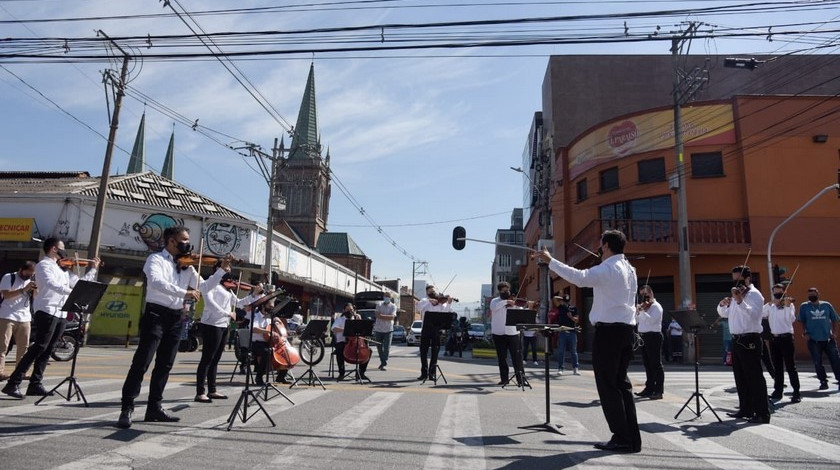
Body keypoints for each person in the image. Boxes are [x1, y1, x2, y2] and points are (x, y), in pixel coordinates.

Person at [533, 230, 641, 453]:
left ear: (607, 246)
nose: (599, 249)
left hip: (609, 333)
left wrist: (551, 261)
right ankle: (631, 439)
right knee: (622, 385)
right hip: (626, 331)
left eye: (601, 245)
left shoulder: (608, 269)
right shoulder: (630, 269)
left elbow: (580, 278)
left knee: (608, 385)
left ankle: (622, 438)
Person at [117, 226, 226, 429]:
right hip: (155, 315)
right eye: (184, 240)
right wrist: (183, 293)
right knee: (142, 362)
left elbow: (203, 287)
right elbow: (157, 282)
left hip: (176, 318)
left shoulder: (188, 266)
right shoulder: (155, 259)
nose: (188, 244)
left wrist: (221, 271)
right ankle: (127, 407)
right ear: (171, 241)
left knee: (165, 365)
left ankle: (154, 408)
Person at [2, 239, 99, 399]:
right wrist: (73, 293)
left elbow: (80, 283)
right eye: (62, 248)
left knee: (49, 349)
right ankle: (13, 382)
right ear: (54, 249)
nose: (65, 251)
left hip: (61, 312)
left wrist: (93, 269)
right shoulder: (44, 265)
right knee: (39, 346)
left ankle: (35, 384)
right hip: (46, 310)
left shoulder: (63, 270)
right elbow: (51, 284)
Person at [717, 265, 770, 424]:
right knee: (740, 377)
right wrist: (722, 304)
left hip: (749, 339)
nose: (736, 283)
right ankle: (746, 408)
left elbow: (754, 315)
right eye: (733, 280)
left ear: (747, 278)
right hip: (737, 339)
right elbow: (726, 314)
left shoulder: (754, 294)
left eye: (738, 279)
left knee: (754, 377)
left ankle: (762, 413)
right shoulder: (737, 294)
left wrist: (740, 301)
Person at [194, 266, 254, 403]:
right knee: (207, 358)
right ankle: (200, 392)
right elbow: (210, 304)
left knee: (216, 359)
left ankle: (212, 390)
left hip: (223, 324)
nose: (229, 274)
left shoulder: (227, 289)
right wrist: (228, 313)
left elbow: (238, 303)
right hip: (212, 324)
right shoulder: (211, 284)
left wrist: (254, 295)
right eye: (226, 269)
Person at [764, 284, 801, 403]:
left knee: (790, 366)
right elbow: (761, 314)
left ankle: (796, 392)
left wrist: (787, 306)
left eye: (780, 293)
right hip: (774, 339)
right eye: (775, 293)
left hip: (786, 338)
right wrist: (770, 304)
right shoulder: (770, 306)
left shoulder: (789, 305)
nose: (777, 295)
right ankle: (778, 391)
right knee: (777, 367)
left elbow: (791, 319)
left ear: (784, 292)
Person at [0, 261, 36, 382]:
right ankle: (0, 372)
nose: (29, 276)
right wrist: (24, 289)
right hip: (7, 315)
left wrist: (36, 290)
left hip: (25, 317)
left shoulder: (31, 281)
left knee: (23, 347)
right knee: (3, 346)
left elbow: (35, 297)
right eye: (27, 273)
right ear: (21, 269)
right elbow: (6, 295)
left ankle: (21, 372)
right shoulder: (9, 277)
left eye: (31, 274)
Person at [798, 287, 840, 391]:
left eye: (813, 294)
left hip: (828, 339)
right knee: (817, 362)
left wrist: (835, 333)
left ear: (818, 294)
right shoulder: (804, 306)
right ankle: (823, 381)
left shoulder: (826, 305)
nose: (812, 296)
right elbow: (801, 321)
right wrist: (805, 333)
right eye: (810, 294)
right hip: (813, 340)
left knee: (836, 361)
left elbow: (835, 319)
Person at [489, 281, 526, 386]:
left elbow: (521, 311)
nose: (507, 292)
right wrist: (506, 302)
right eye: (504, 290)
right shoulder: (495, 301)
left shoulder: (513, 301)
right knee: (502, 358)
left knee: (517, 357)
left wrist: (519, 305)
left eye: (508, 290)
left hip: (513, 332)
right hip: (499, 333)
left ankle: (521, 379)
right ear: (500, 291)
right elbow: (494, 308)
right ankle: (504, 379)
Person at [416, 285, 453, 381]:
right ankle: (424, 373)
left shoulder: (441, 303)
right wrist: (429, 300)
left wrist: (449, 303)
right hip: (426, 329)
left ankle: (432, 373)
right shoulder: (425, 300)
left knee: (435, 351)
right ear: (427, 292)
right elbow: (418, 308)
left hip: (437, 330)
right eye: (430, 291)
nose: (433, 292)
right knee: (423, 351)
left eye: (434, 291)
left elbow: (447, 312)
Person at [635, 285, 664, 400]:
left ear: (651, 294)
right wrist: (637, 312)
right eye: (641, 295)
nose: (643, 298)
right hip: (643, 336)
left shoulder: (656, 307)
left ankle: (659, 391)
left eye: (645, 295)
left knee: (656, 364)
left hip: (653, 336)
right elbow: (637, 321)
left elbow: (652, 321)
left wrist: (642, 311)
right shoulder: (644, 307)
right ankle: (649, 388)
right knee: (647, 364)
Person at [332, 303, 369, 381]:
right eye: (347, 310)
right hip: (342, 341)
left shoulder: (356, 318)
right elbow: (334, 329)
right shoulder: (340, 319)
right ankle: (341, 373)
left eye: (351, 310)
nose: (349, 311)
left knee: (368, 351)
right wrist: (345, 330)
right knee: (339, 350)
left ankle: (361, 373)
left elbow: (362, 330)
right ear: (344, 310)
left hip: (355, 341)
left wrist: (359, 320)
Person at [553, 295, 580, 375]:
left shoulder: (574, 308)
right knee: (561, 351)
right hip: (562, 332)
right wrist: (562, 298)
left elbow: (576, 320)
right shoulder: (561, 307)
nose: (566, 302)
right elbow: (554, 298)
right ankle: (560, 368)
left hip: (572, 332)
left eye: (567, 301)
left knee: (573, 351)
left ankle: (575, 368)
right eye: (565, 301)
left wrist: (571, 317)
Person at [373, 292, 397, 370]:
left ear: (391, 298)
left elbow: (392, 317)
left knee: (386, 348)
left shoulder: (393, 306)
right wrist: (386, 317)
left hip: (388, 330)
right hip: (378, 329)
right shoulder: (379, 304)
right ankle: (382, 361)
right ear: (383, 297)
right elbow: (377, 315)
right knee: (379, 347)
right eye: (385, 296)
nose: (387, 297)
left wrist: (381, 316)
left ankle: (384, 362)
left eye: (388, 296)